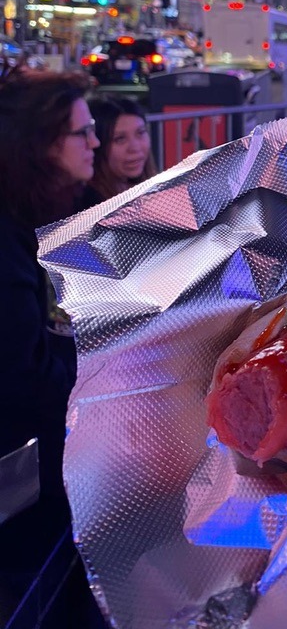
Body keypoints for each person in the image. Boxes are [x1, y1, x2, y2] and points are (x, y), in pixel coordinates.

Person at [0, 67, 103, 625]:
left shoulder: (27, 214)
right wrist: (103, 383)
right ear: (41, 146)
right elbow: (24, 376)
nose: (96, 143)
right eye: (82, 132)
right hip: (18, 481)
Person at [80, 96, 157, 207]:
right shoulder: (89, 206)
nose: (135, 147)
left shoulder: (155, 193)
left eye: (140, 133)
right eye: (120, 139)